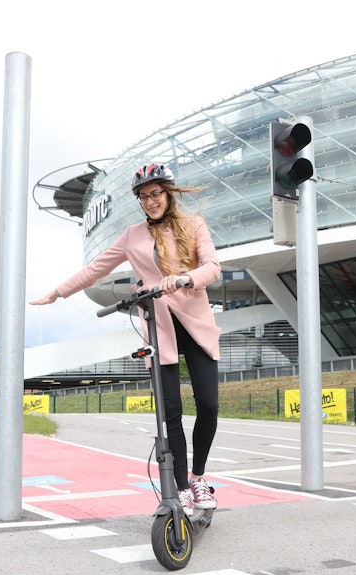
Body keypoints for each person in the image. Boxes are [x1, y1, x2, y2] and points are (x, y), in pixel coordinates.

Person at [29, 163, 222, 516]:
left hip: (195, 323)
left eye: (156, 194)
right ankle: (181, 488)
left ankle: (198, 477)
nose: (151, 202)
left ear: (168, 193)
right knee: (171, 415)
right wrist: (57, 293)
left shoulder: (193, 225)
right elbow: (95, 268)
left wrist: (183, 279)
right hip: (159, 326)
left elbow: (212, 267)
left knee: (208, 405)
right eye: (144, 197)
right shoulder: (133, 236)